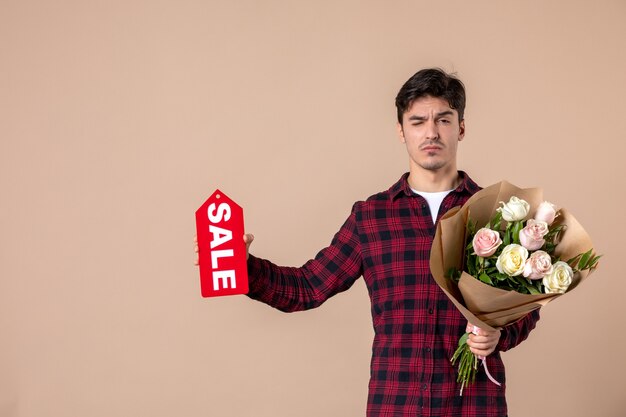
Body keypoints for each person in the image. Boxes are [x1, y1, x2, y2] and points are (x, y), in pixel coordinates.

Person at [199, 68, 540, 416]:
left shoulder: (497, 214)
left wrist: (501, 336)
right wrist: (241, 266)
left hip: (475, 405)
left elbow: (526, 305)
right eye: (418, 121)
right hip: (396, 405)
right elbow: (307, 287)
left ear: (461, 128)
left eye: (444, 120)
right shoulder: (371, 217)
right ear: (401, 131)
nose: (431, 132)